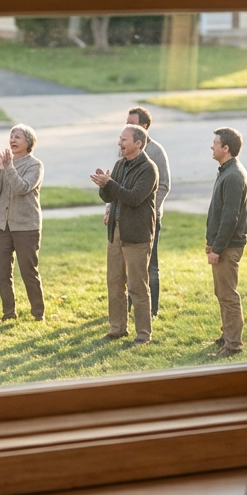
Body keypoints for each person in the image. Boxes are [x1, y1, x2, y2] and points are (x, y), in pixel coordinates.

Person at [91, 124, 158, 345]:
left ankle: (143, 334)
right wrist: (104, 185)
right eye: (120, 139)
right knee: (114, 281)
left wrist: (110, 184)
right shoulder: (120, 164)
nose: (120, 143)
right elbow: (110, 197)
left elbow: (134, 198)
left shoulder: (149, 169)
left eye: (124, 140)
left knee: (138, 286)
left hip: (136, 235)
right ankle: (117, 328)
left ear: (138, 144)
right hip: (116, 231)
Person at [0, 124, 45, 322]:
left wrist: (8, 167)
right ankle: (9, 313)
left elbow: (22, 188)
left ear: (28, 142)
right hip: (2, 226)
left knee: (28, 271)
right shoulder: (5, 163)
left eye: (17, 136)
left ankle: (38, 314)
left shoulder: (35, 165)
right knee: (2, 271)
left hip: (26, 227)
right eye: (11, 136)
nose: (12, 139)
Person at [205, 127, 247, 357]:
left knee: (228, 295)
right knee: (221, 292)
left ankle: (233, 345)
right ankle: (227, 334)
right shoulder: (226, 171)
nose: (211, 146)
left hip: (229, 246)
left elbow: (230, 218)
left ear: (226, 148)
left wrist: (218, 248)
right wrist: (211, 243)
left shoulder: (233, 176)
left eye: (215, 143)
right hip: (222, 244)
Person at [128, 107, 170, 317]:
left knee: (150, 265)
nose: (127, 127)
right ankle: (127, 306)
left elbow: (164, 185)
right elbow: (118, 182)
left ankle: (152, 310)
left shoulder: (155, 151)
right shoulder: (125, 148)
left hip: (150, 218)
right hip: (127, 218)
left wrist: (148, 210)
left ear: (145, 126)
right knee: (129, 264)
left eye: (132, 123)